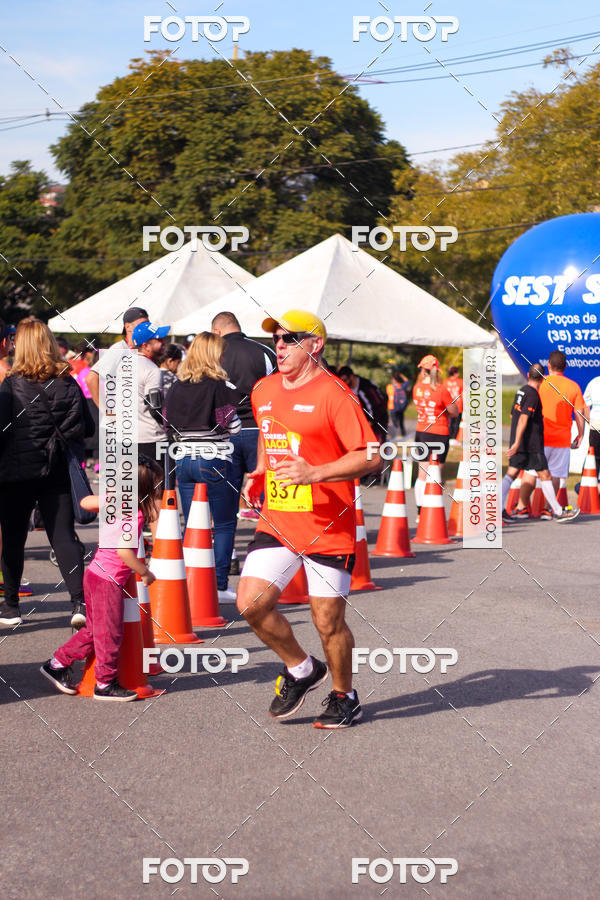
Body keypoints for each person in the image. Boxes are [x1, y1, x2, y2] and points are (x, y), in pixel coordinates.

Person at [236, 310, 379, 729]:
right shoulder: (262, 389)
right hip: (279, 520)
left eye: (289, 338)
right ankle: (301, 668)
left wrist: (315, 473)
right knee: (250, 603)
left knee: (326, 621)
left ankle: (344, 696)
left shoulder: (336, 393)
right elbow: (269, 431)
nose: (279, 345)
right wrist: (261, 470)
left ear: (315, 345)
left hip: (329, 525)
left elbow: (370, 455)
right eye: (276, 338)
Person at [40, 457, 162, 700]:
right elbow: (125, 552)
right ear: (145, 490)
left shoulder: (114, 503)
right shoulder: (134, 515)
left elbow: (85, 502)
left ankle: (56, 664)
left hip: (94, 574)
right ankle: (105, 683)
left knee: (95, 631)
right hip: (108, 582)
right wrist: (145, 572)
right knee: (110, 634)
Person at [0, 318, 95, 628]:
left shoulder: (11, 386)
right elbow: (88, 427)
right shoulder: (68, 383)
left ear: (20, 346)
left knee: (14, 538)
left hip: (16, 472)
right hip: (58, 471)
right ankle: (79, 603)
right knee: (63, 536)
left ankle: (11, 607)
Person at [166, 332, 241, 602]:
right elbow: (231, 424)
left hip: (183, 459)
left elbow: (167, 424)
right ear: (213, 354)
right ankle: (219, 585)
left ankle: (189, 583)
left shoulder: (176, 385)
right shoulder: (218, 386)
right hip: (214, 457)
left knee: (193, 524)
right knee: (223, 523)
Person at [211, 311, 277, 523]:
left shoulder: (212, 355)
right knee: (268, 499)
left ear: (216, 331)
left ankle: (226, 553)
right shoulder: (265, 351)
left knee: (223, 501)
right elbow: (280, 387)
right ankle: (271, 545)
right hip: (260, 430)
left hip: (225, 432)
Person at [502, 364, 579, 523]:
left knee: (512, 474)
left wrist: (516, 441)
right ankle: (556, 511)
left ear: (528, 375)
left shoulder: (521, 391)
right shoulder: (533, 395)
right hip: (531, 444)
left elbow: (513, 415)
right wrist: (517, 443)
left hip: (523, 442)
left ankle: (497, 508)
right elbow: (523, 418)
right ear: (542, 378)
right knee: (544, 475)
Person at [519, 351, 585, 515]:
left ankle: (521, 507)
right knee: (555, 474)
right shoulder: (573, 386)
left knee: (530, 472)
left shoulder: (542, 383)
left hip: (538, 435)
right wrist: (580, 434)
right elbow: (579, 413)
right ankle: (548, 509)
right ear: (565, 367)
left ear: (548, 365)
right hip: (561, 438)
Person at [412, 355, 459, 518]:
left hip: (421, 431)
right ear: (436, 370)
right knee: (435, 473)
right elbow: (454, 412)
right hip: (439, 433)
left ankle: (420, 512)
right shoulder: (441, 389)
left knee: (422, 474)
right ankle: (431, 513)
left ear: (422, 371)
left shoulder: (416, 388)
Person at [85, 307, 149, 406]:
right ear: (128, 327)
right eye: (142, 324)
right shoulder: (119, 349)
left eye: (147, 324)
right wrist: (105, 410)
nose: (146, 327)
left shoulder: (146, 347)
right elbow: (91, 378)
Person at [129, 321, 170, 461]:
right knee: (158, 482)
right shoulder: (151, 370)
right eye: (159, 340)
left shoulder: (122, 365)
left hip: (125, 439)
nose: (164, 342)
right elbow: (155, 408)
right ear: (145, 346)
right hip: (151, 439)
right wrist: (171, 427)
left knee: (133, 483)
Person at [337, 364, 388, 442]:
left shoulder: (366, 387)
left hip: (378, 420)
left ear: (351, 376)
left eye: (345, 380)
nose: (344, 383)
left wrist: (371, 422)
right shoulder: (347, 389)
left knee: (376, 444)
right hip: (363, 423)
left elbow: (379, 405)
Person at [583, 373, 600, 475]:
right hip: (595, 424)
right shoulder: (593, 382)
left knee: (594, 459)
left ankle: (591, 486)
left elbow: (586, 404)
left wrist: (589, 421)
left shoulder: (594, 382)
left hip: (596, 424)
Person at [388, 368, 411, 439]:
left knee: (394, 423)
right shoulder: (401, 386)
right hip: (400, 407)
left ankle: (395, 435)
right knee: (401, 422)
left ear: (393, 379)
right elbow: (408, 381)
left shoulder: (389, 387)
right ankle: (403, 434)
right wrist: (401, 375)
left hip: (392, 407)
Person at [443, 365, 464, 442]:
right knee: (456, 423)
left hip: (448, 405)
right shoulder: (460, 382)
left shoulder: (445, 382)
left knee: (449, 422)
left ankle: (448, 437)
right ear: (455, 373)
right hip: (458, 406)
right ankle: (453, 438)